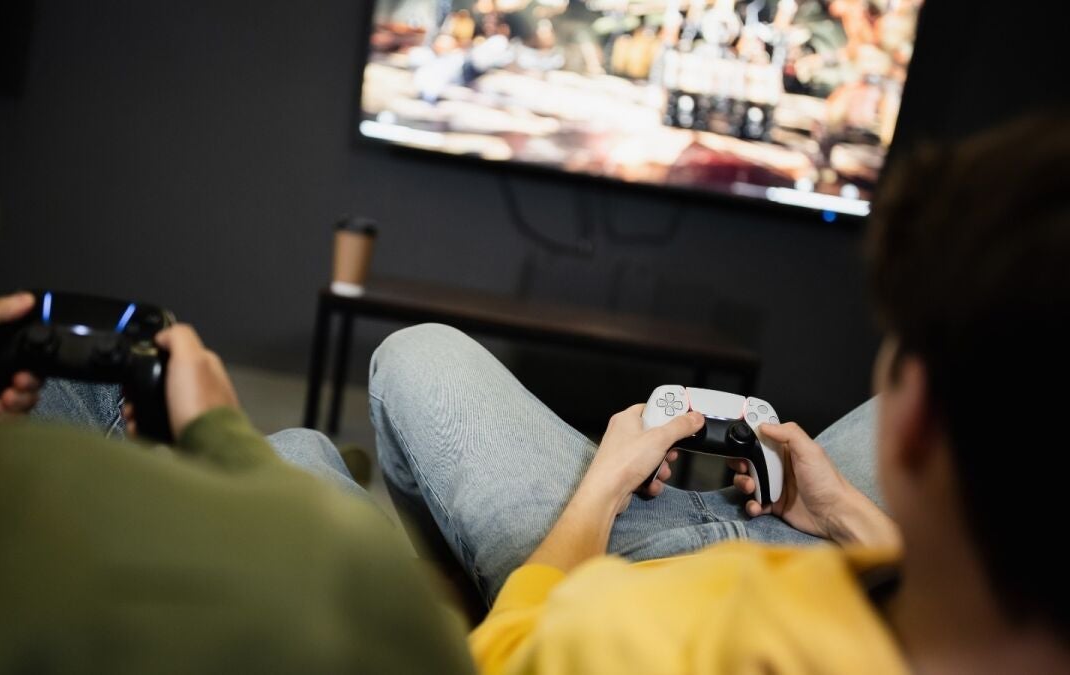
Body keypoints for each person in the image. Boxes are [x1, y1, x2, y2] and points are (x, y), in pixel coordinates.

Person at [0, 2, 473, 672]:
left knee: (92, 376)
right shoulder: (348, 595)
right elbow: (377, 607)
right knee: (304, 444)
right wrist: (226, 440)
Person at [367, 112, 1070, 673]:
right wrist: (846, 517)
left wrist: (604, 487)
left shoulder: (622, 638)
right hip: (844, 548)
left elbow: (508, 654)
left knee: (415, 353)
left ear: (917, 421)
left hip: (599, 563)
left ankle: (477, 583)